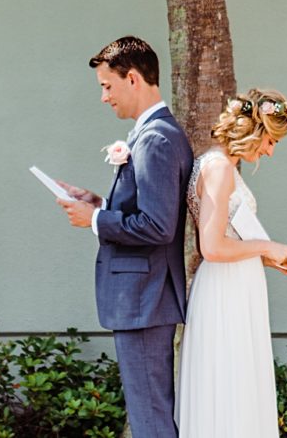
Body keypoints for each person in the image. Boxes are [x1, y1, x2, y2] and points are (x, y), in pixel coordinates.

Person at [55, 36, 193, 438]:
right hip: (144, 299)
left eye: (106, 85)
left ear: (132, 78)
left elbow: (157, 226)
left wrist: (95, 219)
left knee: (151, 419)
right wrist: (98, 202)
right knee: (149, 412)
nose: (103, 97)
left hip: (145, 298)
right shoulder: (151, 133)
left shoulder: (156, 139)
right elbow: (148, 210)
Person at [177, 88, 287, 438]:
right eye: (271, 141)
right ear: (255, 132)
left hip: (237, 287)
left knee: (239, 388)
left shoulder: (224, 166)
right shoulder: (218, 168)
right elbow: (213, 248)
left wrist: (270, 258)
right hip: (225, 294)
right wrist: (268, 244)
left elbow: (232, 242)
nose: (270, 151)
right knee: (229, 387)